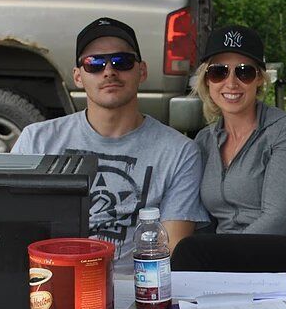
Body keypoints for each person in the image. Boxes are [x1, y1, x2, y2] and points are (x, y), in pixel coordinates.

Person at [12, 17, 208, 270]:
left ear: (142, 71)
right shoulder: (36, 140)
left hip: (138, 292)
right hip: (54, 281)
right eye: (94, 63)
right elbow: (12, 229)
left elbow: (172, 247)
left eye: (122, 61)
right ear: (78, 76)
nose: (109, 71)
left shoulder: (180, 151)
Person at [171, 25, 286, 272]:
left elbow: (276, 219)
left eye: (244, 72)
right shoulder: (204, 141)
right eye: (219, 72)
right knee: (182, 248)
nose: (231, 82)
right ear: (207, 80)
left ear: (259, 79)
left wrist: (218, 255)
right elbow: (205, 221)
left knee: (190, 251)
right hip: (236, 255)